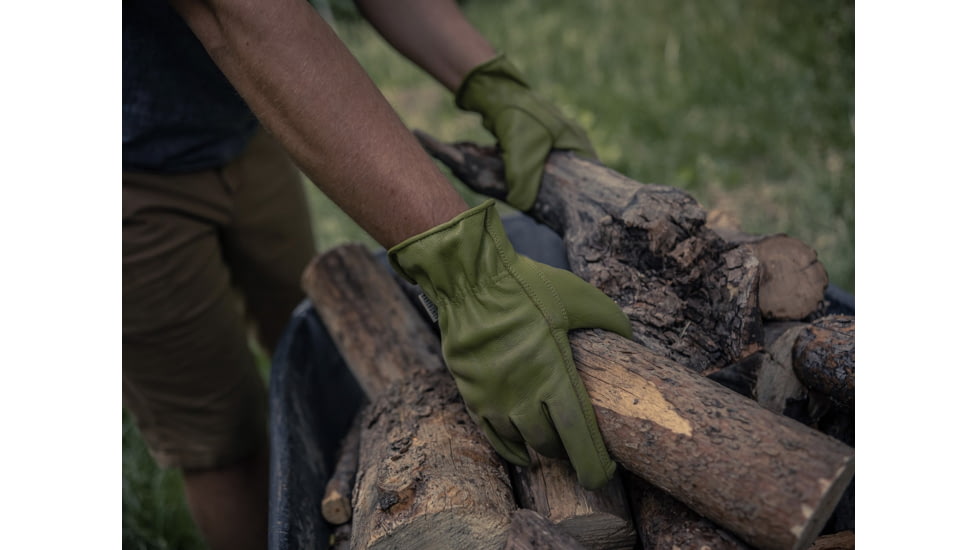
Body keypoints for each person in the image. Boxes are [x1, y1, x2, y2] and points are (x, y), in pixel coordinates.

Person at [122, 1, 632, 548]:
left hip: (239, 117)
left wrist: (496, 84)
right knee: (220, 438)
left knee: (309, 357)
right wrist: (469, 274)